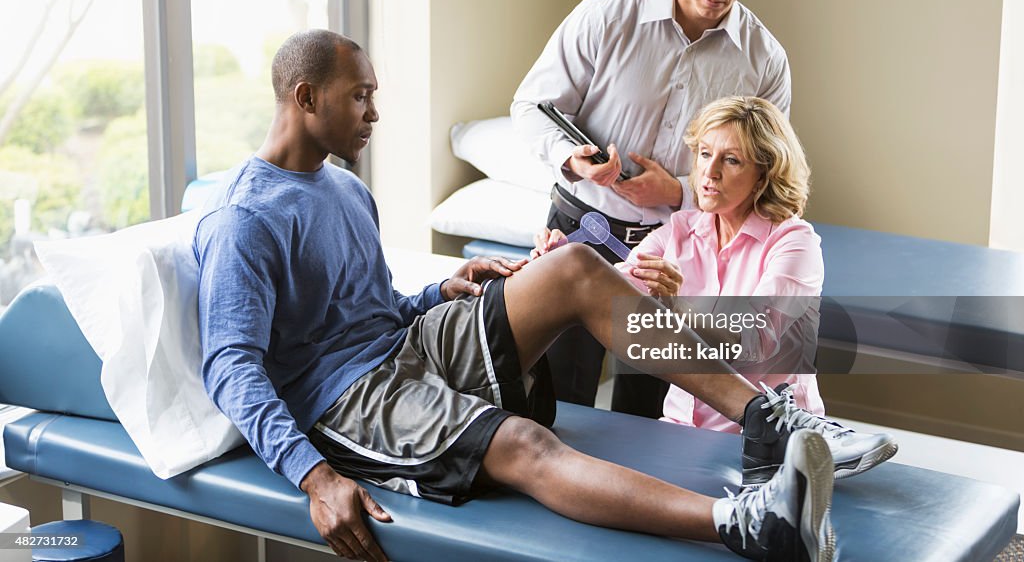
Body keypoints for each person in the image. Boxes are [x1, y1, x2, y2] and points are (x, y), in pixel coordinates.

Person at [194, 30, 891, 562]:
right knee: (525, 441)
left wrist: (439, 290)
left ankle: (770, 419)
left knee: (576, 266)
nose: (374, 111)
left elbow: (374, 311)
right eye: (359, 96)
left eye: (374, 93)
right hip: (350, 400)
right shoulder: (247, 218)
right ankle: (749, 525)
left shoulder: (345, 188)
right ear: (304, 98)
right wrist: (315, 479)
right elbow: (231, 368)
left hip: (407, 346)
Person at [510, 0, 790, 418]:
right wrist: (572, 158)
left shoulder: (765, 62)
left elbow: (767, 177)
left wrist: (680, 192)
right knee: (557, 407)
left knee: (655, 415)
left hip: (680, 256)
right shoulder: (604, 17)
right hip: (578, 238)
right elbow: (529, 105)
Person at [534, 98, 898, 483]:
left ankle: (819, 442)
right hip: (678, 430)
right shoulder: (679, 230)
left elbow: (754, 343)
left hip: (769, 441)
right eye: (705, 154)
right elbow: (612, 289)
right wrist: (560, 264)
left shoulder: (794, 243)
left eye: (731, 160)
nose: (709, 172)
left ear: (764, 175)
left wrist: (677, 308)